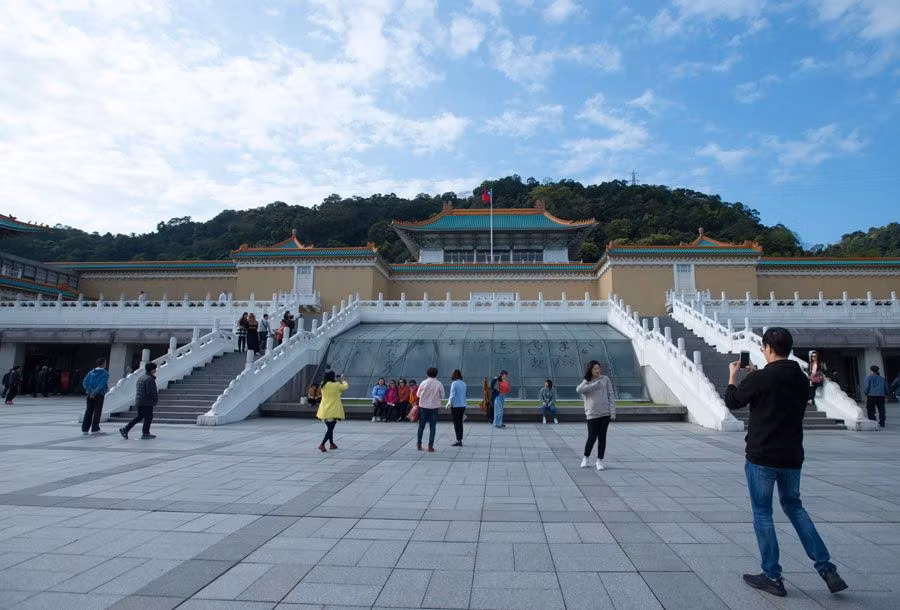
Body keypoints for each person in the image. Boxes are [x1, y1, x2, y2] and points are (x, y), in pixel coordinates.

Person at [724, 327, 847, 598]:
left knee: (763, 514)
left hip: (762, 456)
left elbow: (732, 401)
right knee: (795, 508)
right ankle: (827, 569)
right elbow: (775, 396)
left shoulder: (761, 379)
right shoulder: (801, 379)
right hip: (792, 456)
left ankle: (772, 576)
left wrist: (734, 376)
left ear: (768, 348)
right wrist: (756, 376)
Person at [577, 360, 616, 471]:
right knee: (592, 437)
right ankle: (585, 457)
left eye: (598, 368)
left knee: (602, 437)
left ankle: (599, 460)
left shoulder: (605, 379)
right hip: (592, 414)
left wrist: (612, 411)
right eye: (595, 368)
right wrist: (591, 384)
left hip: (605, 414)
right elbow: (579, 389)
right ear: (590, 370)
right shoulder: (587, 382)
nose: (597, 370)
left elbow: (611, 395)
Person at [119, 362, 158, 440]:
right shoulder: (149, 379)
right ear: (152, 369)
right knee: (148, 417)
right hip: (146, 402)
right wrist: (155, 398)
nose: (155, 370)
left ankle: (126, 429)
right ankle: (145, 433)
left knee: (140, 417)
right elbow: (149, 392)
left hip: (140, 400)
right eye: (155, 368)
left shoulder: (142, 377)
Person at [316, 371, 347, 452]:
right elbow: (345, 387)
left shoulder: (323, 384)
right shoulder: (336, 385)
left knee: (330, 428)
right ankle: (322, 444)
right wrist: (343, 380)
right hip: (333, 410)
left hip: (324, 410)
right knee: (330, 429)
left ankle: (332, 444)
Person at [416, 367, 444, 452]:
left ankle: (419, 444)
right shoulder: (439, 384)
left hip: (423, 407)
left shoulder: (423, 382)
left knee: (421, 426)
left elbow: (417, 394)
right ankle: (430, 446)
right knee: (432, 427)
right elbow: (442, 396)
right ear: (436, 374)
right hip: (434, 408)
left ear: (427, 374)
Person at [81, 358, 109, 435]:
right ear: (103, 364)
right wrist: (95, 392)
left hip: (89, 394)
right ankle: (95, 428)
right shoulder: (105, 373)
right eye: (105, 363)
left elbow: (85, 382)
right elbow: (102, 384)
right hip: (99, 394)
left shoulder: (91, 372)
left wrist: (90, 391)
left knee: (88, 411)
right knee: (97, 412)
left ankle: (85, 429)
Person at [447, 369, 467, 446]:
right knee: (460, 423)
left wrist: (448, 404)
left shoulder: (454, 383)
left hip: (455, 406)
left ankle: (458, 440)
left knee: (456, 423)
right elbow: (464, 395)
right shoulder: (463, 383)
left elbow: (452, 395)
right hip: (462, 405)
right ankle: (460, 439)